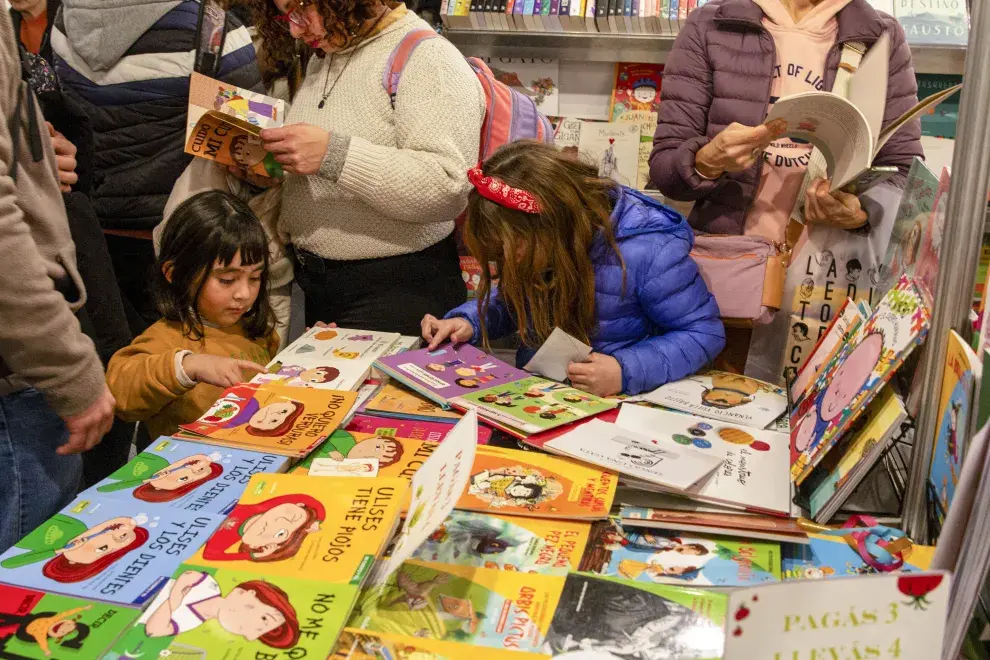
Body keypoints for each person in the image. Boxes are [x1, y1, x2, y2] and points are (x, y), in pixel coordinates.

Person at [649, 0, 923, 376]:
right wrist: (706, 160)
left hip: (827, 289)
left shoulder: (879, 36)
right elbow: (665, 170)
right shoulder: (713, 24)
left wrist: (861, 211)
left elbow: (904, 174)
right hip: (723, 285)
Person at [250, 0, 485, 334]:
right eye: (285, 16)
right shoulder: (329, 55)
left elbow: (447, 187)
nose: (294, 29)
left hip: (399, 291)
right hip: (318, 286)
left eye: (300, 10)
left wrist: (333, 154)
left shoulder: (429, 57)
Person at [423, 141, 725, 398]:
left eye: (513, 249)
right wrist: (469, 321)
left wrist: (625, 371)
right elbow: (513, 301)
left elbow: (704, 333)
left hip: (620, 401)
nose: (510, 261)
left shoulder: (649, 252)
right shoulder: (543, 242)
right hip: (543, 393)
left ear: (554, 224)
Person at [51, 0, 264, 335]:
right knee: (190, 372)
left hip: (85, 240)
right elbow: (253, 157)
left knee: (112, 370)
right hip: (181, 244)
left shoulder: (63, 20)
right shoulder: (211, 30)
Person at [0, 8, 115, 555]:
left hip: (27, 357)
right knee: (31, 576)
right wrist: (70, 369)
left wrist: (37, 156)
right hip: (19, 368)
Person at [11, 0, 139, 485]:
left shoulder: (42, 43)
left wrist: (54, 155)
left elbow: (75, 150)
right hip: (35, 313)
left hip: (76, 250)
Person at [105, 192, 278, 441]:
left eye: (254, 278)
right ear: (175, 274)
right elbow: (120, 392)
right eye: (227, 280)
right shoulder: (166, 337)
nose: (244, 293)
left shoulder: (254, 329)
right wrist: (188, 366)